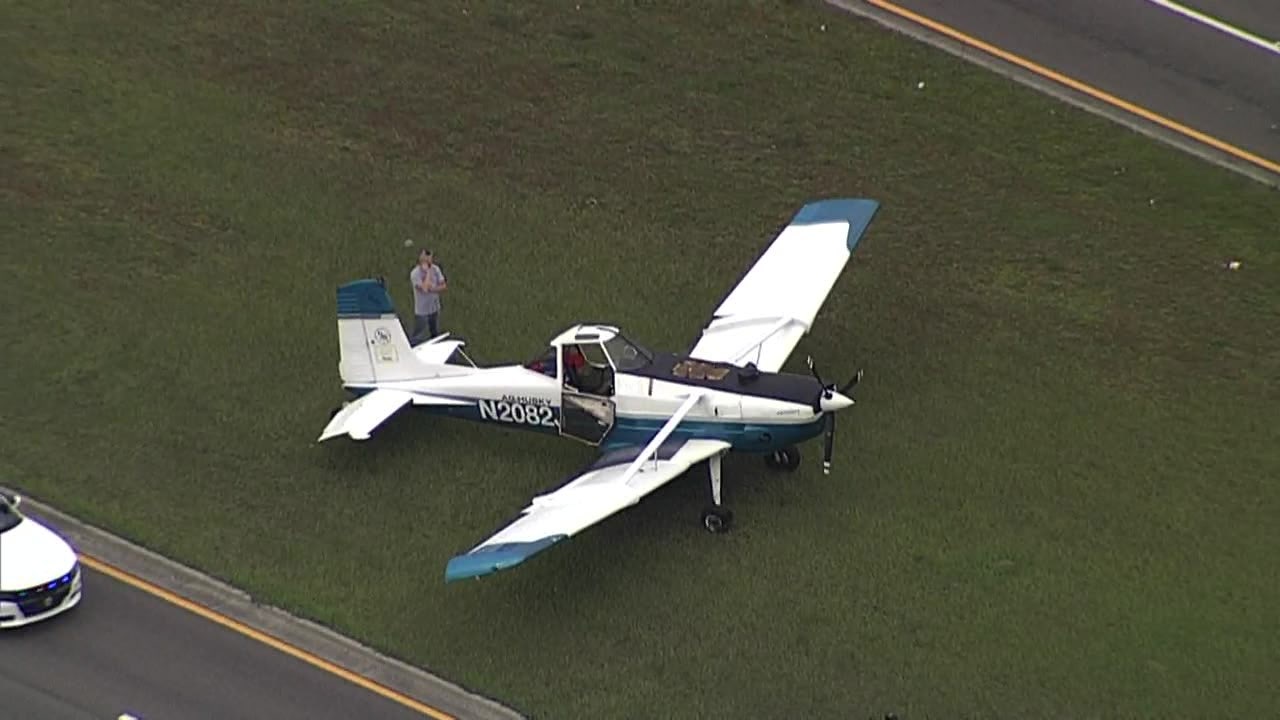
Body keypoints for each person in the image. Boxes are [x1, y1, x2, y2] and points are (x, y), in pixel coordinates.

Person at [409, 248, 447, 344]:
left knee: (435, 333)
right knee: (418, 335)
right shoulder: (415, 273)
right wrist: (428, 272)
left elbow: (443, 286)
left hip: (434, 308)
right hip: (422, 311)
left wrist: (432, 289)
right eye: (426, 257)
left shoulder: (436, 269)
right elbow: (424, 289)